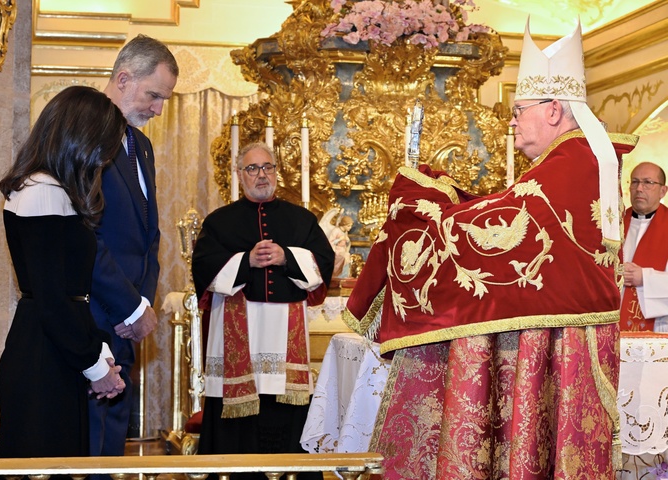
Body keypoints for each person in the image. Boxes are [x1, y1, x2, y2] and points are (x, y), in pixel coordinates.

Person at [343, 20, 638, 479]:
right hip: (557, 336)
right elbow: (507, 213)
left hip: (561, 342)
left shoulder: (572, 160)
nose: (513, 120)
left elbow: (503, 228)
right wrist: (448, 197)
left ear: (555, 109)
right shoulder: (575, 159)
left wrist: (427, 207)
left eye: (520, 109)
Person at [0, 86, 127, 458]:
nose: (105, 157)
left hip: (56, 351)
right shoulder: (42, 190)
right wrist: (94, 366)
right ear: (80, 136)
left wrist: (99, 355)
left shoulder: (54, 191)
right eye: (104, 145)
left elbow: (74, 293)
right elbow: (52, 301)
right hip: (41, 357)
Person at [192, 142, 334, 480]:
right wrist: (246, 260)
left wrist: (288, 256)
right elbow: (203, 269)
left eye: (267, 167)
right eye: (253, 169)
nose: (261, 175)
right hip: (237, 337)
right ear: (240, 176)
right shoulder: (219, 222)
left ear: (276, 172)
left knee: (284, 412)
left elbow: (323, 264)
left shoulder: (301, 219)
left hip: (285, 340)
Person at [88, 34, 178, 457]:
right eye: (154, 95)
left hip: (127, 321)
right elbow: (88, 235)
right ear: (124, 78)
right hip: (92, 315)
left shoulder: (139, 144)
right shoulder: (86, 131)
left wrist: (142, 305)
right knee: (86, 443)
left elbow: (148, 237)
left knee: (111, 444)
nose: (159, 109)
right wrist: (128, 305)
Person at [620, 161, 668, 331]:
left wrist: (645, 278)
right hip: (613, 326)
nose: (639, 188)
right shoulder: (613, 225)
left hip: (658, 327)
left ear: (663, 190)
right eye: (635, 182)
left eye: (648, 182)